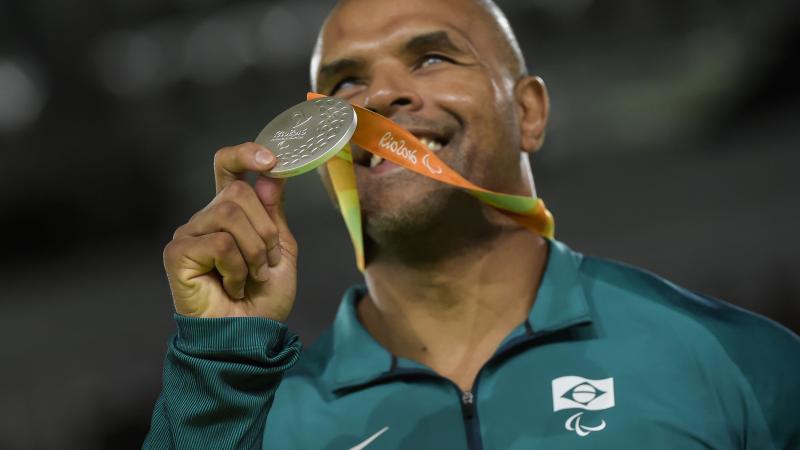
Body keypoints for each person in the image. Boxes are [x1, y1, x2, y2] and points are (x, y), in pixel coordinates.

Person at [143, 0, 800, 448]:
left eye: (431, 58)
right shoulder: (256, 420)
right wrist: (218, 358)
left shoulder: (736, 364)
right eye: (343, 85)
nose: (377, 99)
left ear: (530, 114)